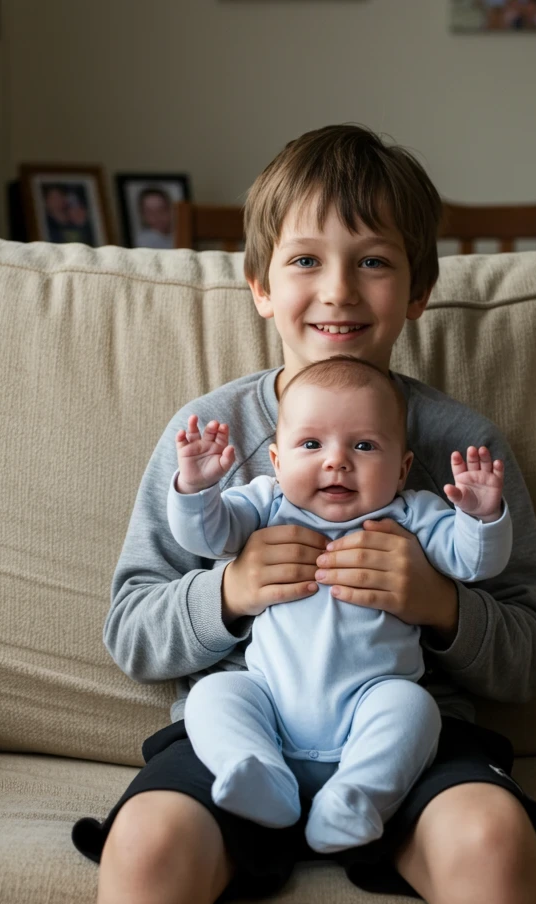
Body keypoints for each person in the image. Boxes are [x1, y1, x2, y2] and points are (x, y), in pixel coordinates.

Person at [72, 122, 536, 904]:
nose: (338, 290)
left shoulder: (463, 450)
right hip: (242, 724)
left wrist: (439, 604)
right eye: (306, 260)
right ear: (261, 285)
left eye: (375, 262)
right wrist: (225, 592)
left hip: (408, 731)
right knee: (143, 849)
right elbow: (131, 628)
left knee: (497, 846)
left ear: (420, 288)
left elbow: (532, 658)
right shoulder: (208, 438)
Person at [168, 354, 513, 855]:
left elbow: (471, 562)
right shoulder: (265, 503)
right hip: (270, 704)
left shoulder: (413, 513)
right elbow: (210, 534)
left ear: (402, 469)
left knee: (415, 708)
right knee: (213, 696)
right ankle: (257, 772)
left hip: (371, 704)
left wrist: (481, 517)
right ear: (278, 462)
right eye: (311, 444)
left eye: (364, 445)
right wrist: (199, 491)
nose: (336, 461)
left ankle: (356, 796)